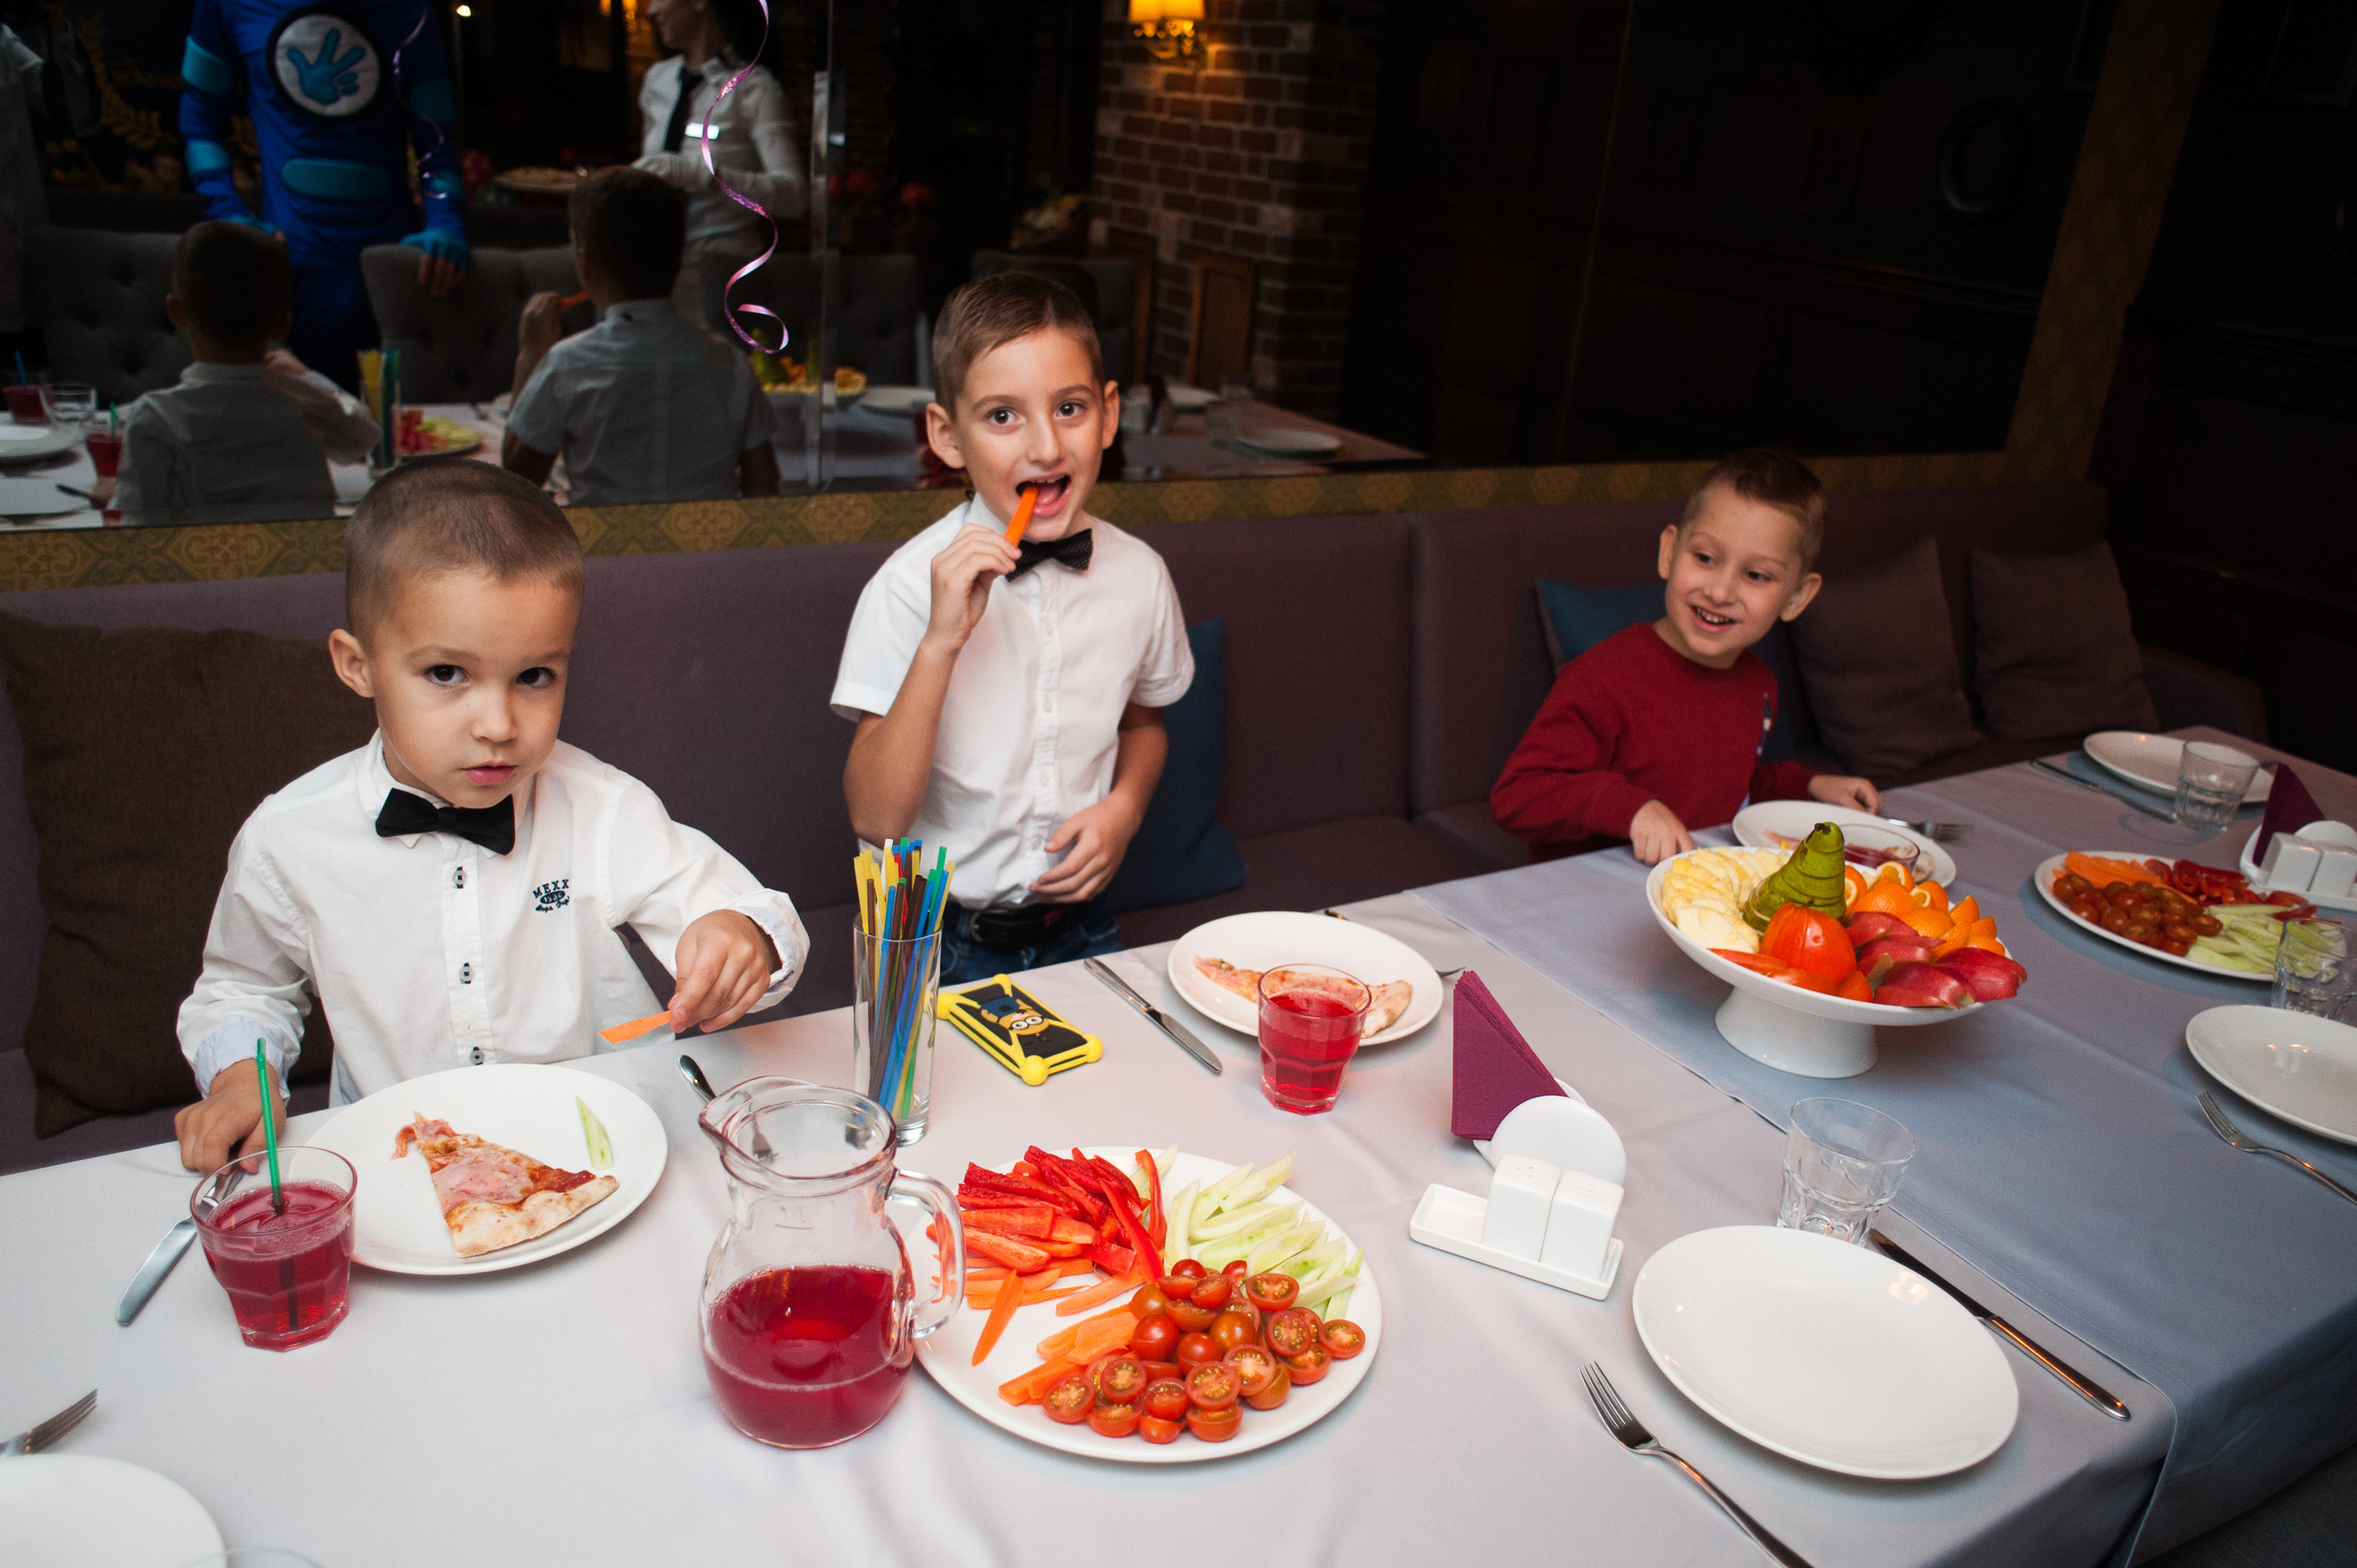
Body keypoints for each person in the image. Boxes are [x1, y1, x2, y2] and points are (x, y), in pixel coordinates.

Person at [173, 459, 808, 1171]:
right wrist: (239, 1075)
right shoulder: (287, 837)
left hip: (599, 1150)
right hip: (397, 1164)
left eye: (534, 676)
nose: (499, 723)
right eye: (447, 674)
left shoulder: (602, 809)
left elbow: (751, 909)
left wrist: (741, 934)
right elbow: (244, 987)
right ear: (358, 665)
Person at [832, 272, 1191, 984]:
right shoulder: (905, 589)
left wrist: (1123, 809)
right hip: (934, 938)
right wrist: (942, 641)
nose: (1046, 447)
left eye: (1069, 408)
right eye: (1002, 416)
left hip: (1083, 925)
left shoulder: (1141, 575)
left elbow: (1145, 726)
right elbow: (876, 817)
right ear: (947, 436)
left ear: (1110, 414)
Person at [1491, 447, 1882, 865]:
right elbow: (1519, 796)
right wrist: (1632, 809)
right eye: (1705, 558)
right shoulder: (1604, 677)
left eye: (1755, 575)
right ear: (1668, 552)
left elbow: (1732, 785)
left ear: (1796, 597)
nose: (1720, 592)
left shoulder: (1760, 685)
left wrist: (1812, 786)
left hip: (1694, 891)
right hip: (1587, 893)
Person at [179, 0, 470, 389]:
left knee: (392, 435)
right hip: (292, 272)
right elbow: (199, 117)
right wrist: (228, 212)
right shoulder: (229, 6)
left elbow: (436, 138)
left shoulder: (411, 10)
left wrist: (444, 219)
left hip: (389, 277)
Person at [502, 167, 779, 505]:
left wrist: (530, 353)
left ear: (587, 265)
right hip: (705, 555)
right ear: (678, 263)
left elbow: (513, 479)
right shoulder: (729, 362)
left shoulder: (567, 364)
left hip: (605, 556)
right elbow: (764, 491)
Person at [114, 221, 383, 527]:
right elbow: (364, 438)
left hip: (209, 573)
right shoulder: (302, 398)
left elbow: (139, 533)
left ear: (175, 311)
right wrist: (308, 376)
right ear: (282, 326)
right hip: (304, 571)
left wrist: (116, 500)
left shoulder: (155, 417)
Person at [635, 0, 806, 319]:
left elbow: (794, 196)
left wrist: (701, 176)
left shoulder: (753, 88)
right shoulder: (657, 81)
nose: (650, 10)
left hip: (721, 274)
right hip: (652, 274)